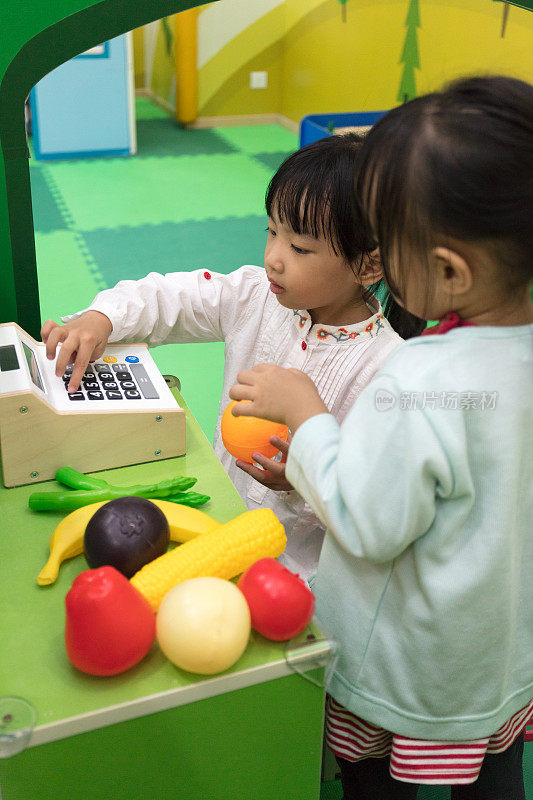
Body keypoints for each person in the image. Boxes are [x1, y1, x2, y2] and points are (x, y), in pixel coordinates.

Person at [229, 75, 533, 798]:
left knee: (372, 783)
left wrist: (307, 420)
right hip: (500, 654)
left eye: (386, 246)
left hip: (409, 663)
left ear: (447, 271)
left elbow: (366, 522)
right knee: (493, 774)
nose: (378, 266)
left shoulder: (419, 380)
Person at [41, 133, 422, 579]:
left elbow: (371, 509)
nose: (274, 258)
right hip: (212, 522)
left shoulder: (386, 369)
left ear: (368, 265)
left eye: (299, 247)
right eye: (272, 231)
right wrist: (101, 318)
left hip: (293, 575)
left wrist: (301, 482)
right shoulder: (255, 297)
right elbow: (171, 297)